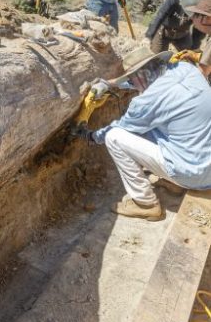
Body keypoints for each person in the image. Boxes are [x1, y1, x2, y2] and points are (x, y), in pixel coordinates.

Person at [80, 45, 211, 221]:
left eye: (132, 80)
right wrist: (110, 84)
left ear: (140, 76)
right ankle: (175, 183)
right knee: (166, 125)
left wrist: (89, 136)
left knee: (114, 137)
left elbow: (118, 128)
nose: (132, 84)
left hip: (193, 174)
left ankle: (145, 204)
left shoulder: (145, 103)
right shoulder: (187, 68)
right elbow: (147, 79)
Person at [146, 0, 210, 53]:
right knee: (157, 59)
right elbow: (160, 15)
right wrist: (150, 35)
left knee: (191, 58)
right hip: (164, 32)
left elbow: (199, 30)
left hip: (183, 34)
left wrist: (194, 47)